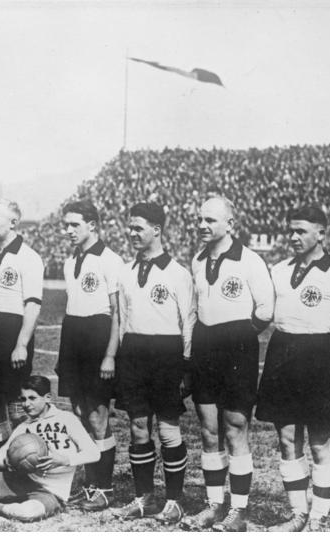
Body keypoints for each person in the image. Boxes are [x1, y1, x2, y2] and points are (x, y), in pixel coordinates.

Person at [255, 206, 330, 532]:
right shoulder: (278, 270)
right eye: (291, 230)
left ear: (321, 234)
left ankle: (318, 517)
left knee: (319, 443)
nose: (294, 237)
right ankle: (298, 513)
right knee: (288, 440)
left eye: (301, 231)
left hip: (317, 355)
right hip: (281, 352)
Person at [181, 196, 274, 533]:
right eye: (200, 220)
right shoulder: (197, 259)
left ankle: (238, 511)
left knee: (235, 427)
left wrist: (240, 339)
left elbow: (265, 310)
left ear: (230, 225)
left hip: (237, 348)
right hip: (205, 347)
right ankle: (212, 504)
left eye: (211, 221)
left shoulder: (250, 261)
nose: (203, 226)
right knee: (208, 430)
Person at [115, 202, 196, 524]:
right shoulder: (124, 271)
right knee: (137, 428)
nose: (132, 233)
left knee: (167, 429)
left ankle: (174, 500)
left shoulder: (178, 274)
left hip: (166, 352)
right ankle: (144, 497)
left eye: (139, 228)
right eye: (130, 227)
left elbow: (187, 321)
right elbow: (122, 319)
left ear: (157, 230)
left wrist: (186, 365)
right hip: (133, 351)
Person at [0, 375, 100, 522]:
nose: (26, 404)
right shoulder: (25, 427)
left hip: (52, 491)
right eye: (23, 399)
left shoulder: (66, 419)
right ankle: (4, 498)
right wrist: (8, 460)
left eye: (32, 398)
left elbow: (94, 453)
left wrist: (64, 460)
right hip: (21, 480)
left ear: (47, 397)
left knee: (26, 513)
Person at [56, 200, 123, 511]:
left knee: (97, 416)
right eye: (66, 225)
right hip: (73, 336)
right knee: (80, 413)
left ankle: (105, 487)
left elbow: (118, 314)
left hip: (97, 337)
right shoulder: (71, 261)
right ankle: (90, 483)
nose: (68, 231)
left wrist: (110, 355)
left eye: (74, 225)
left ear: (92, 225)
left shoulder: (110, 260)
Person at [0, 199, 44, 469]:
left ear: (14, 222)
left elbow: (33, 304)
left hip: (11, 337)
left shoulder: (28, 257)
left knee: (18, 408)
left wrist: (21, 344)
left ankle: (25, 468)